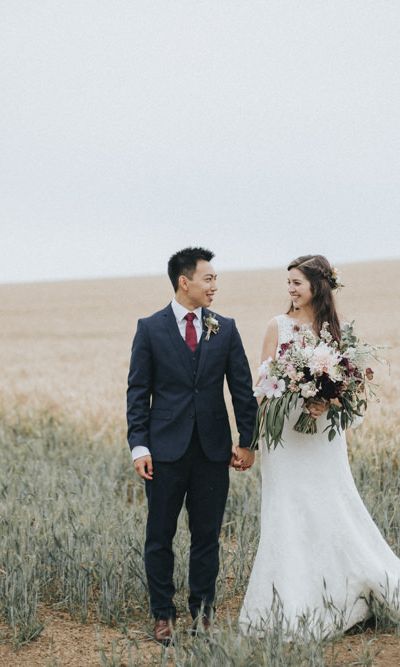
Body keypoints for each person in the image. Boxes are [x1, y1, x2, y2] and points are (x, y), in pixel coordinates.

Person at [238, 254, 400, 638]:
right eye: (287, 282)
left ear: (316, 287)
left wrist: (326, 400)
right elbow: (262, 385)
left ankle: (341, 594)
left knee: (331, 505)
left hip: (322, 439)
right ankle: (289, 600)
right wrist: (258, 433)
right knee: (286, 509)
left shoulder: (332, 330)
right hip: (285, 438)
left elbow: (347, 389)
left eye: (297, 283)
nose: (290, 289)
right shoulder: (277, 326)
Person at [126, 247, 258, 644]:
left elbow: (241, 389)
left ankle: (202, 614)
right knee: (159, 537)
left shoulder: (226, 328)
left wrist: (247, 441)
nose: (215, 285)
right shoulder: (149, 328)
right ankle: (162, 615)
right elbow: (137, 391)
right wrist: (139, 446)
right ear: (185, 282)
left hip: (212, 451)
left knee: (207, 537)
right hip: (164, 452)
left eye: (215, 279)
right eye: (209, 278)